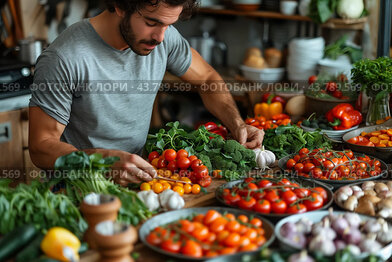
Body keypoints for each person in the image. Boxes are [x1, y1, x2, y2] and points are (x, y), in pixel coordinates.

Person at [28, 0, 264, 186]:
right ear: (121, 6)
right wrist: (101, 162)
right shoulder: (65, 58)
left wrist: (237, 124)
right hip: (79, 188)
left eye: (168, 25)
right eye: (152, 23)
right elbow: (41, 147)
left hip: (139, 180)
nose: (160, 37)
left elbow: (207, 79)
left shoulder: (163, 37)